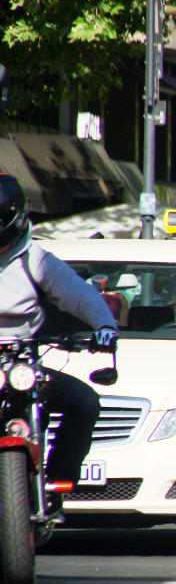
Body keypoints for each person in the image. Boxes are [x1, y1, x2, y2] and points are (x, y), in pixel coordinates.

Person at [0, 174, 118, 500]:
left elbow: (79, 293)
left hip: (20, 362)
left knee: (85, 401)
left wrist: (104, 326)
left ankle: (57, 483)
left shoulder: (36, 259)